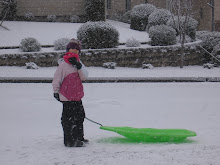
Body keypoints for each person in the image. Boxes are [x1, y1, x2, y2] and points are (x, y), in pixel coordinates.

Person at [52, 39, 88, 147]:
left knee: (80, 117)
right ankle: (69, 140)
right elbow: (57, 78)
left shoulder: (79, 63)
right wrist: (56, 91)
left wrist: (78, 66)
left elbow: (84, 77)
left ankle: (79, 137)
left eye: (77, 49)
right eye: (72, 48)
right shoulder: (63, 64)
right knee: (68, 120)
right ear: (68, 50)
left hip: (77, 96)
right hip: (67, 97)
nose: (75, 50)